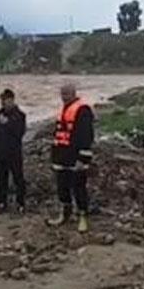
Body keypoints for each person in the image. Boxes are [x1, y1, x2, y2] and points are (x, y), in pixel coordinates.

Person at [47, 84, 94, 232]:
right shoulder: (63, 109)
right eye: (62, 94)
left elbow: (87, 136)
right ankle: (65, 214)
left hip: (76, 156)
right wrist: (54, 156)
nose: (64, 97)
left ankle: (83, 216)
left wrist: (83, 158)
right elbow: (58, 134)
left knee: (79, 188)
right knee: (62, 187)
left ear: (74, 93)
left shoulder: (83, 110)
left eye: (67, 94)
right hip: (62, 155)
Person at [0, 88, 26, 214]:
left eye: (4, 99)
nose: (2, 102)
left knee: (18, 178)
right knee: (2, 179)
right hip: (0, 153)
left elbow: (19, 133)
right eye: (1, 100)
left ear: (11, 100)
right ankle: (2, 203)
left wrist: (8, 123)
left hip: (14, 153)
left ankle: (21, 204)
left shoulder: (20, 115)